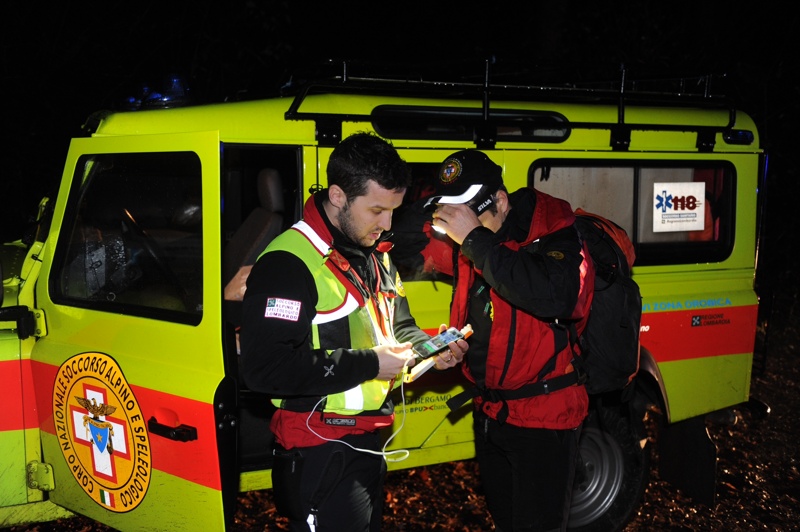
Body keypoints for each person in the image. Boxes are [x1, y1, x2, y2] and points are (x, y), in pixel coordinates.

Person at [239, 132, 468, 532]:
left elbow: (399, 327)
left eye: (394, 210)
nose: (387, 224)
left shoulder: (374, 254)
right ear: (339, 195)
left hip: (367, 441)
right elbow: (264, 369)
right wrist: (369, 364)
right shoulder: (287, 263)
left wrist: (431, 350)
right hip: (318, 447)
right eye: (377, 209)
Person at [392, 149, 595, 531]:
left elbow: (559, 295)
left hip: (543, 419)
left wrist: (475, 238)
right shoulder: (469, 241)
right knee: (506, 521)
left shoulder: (558, 235)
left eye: (469, 217)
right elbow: (403, 241)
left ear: (500, 201)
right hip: (491, 413)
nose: (457, 233)